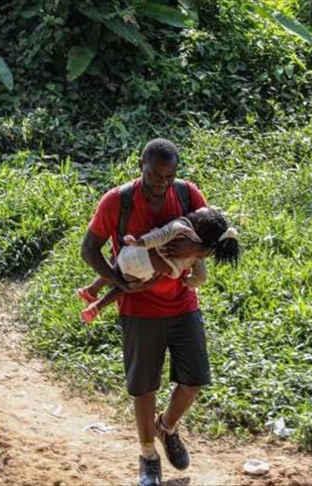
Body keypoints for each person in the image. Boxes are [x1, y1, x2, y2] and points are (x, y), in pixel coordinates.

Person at [81, 138, 218, 486]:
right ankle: (147, 456)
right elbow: (89, 250)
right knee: (144, 388)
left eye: (168, 178)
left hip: (182, 304)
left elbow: (213, 237)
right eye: (155, 176)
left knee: (194, 380)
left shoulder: (187, 195)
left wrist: (198, 248)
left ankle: (167, 427)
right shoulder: (118, 201)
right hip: (139, 309)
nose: (161, 185)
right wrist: (119, 282)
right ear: (140, 165)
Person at [77, 205, 240, 324]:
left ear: (198, 225)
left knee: (115, 268)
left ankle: (92, 290)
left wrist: (139, 242)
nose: (191, 212)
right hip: (145, 272)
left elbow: (159, 236)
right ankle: (97, 307)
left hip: (136, 253)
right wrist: (188, 282)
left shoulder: (181, 227)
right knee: (124, 286)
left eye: (195, 213)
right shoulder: (197, 255)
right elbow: (201, 277)